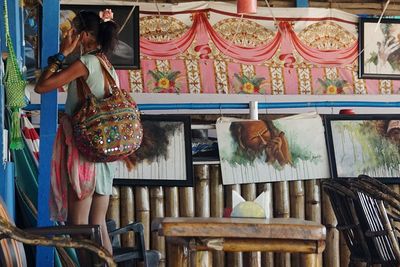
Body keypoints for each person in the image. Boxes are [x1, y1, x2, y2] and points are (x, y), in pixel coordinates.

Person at [34, 9, 120, 262]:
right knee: (98, 224)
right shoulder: (106, 64)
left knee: (79, 225)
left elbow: (42, 86)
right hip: (102, 156)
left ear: (82, 35)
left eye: (72, 31)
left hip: (84, 155)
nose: (69, 34)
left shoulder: (87, 63)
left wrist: (62, 53)